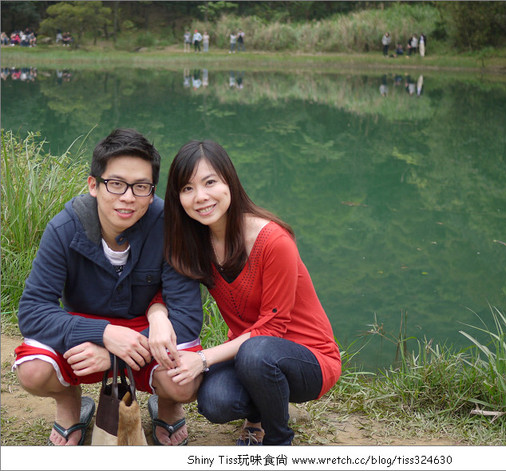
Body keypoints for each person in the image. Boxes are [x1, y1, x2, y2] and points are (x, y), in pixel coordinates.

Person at [12, 128, 204, 446]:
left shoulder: (170, 226)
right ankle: (69, 405)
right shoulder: (63, 228)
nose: (128, 197)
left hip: (145, 331)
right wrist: (104, 335)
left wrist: (117, 357)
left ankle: (169, 406)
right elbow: (33, 312)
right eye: (115, 184)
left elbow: (185, 320)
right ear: (93, 185)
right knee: (33, 371)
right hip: (86, 330)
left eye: (141, 187)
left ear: (153, 189)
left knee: (183, 380)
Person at [159, 140, 342, 446]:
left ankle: (278, 439)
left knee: (256, 354)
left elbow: (272, 328)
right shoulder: (195, 244)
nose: (201, 197)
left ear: (229, 181)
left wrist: (202, 359)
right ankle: (261, 410)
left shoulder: (272, 240)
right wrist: (158, 314)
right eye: (187, 188)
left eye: (210, 182)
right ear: (178, 198)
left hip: (309, 358)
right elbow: (163, 288)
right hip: (249, 354)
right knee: (214, 401)